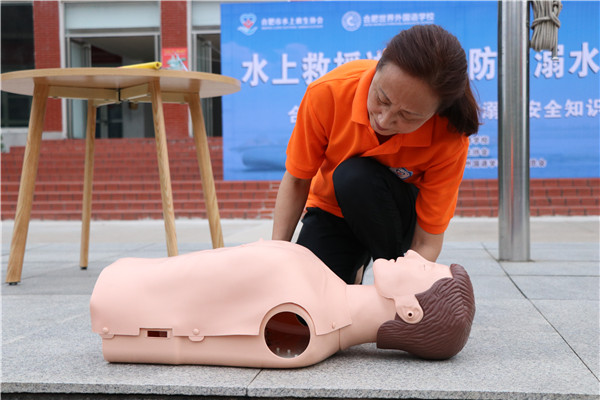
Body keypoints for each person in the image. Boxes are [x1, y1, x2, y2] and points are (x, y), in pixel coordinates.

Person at [272, 24, 480, 284]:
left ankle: (387, 266)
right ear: (377, 69)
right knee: (310, 288)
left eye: (408, 116)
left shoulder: (449, 137)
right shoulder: (328, 92)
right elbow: (297, 180)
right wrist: (276, 254)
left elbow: (427, 241)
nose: (384, 120)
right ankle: (355, 264)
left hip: (396, 218)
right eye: (382, 99)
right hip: (332, 208)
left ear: (436, 113)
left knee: (355, 176)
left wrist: (405, 285)